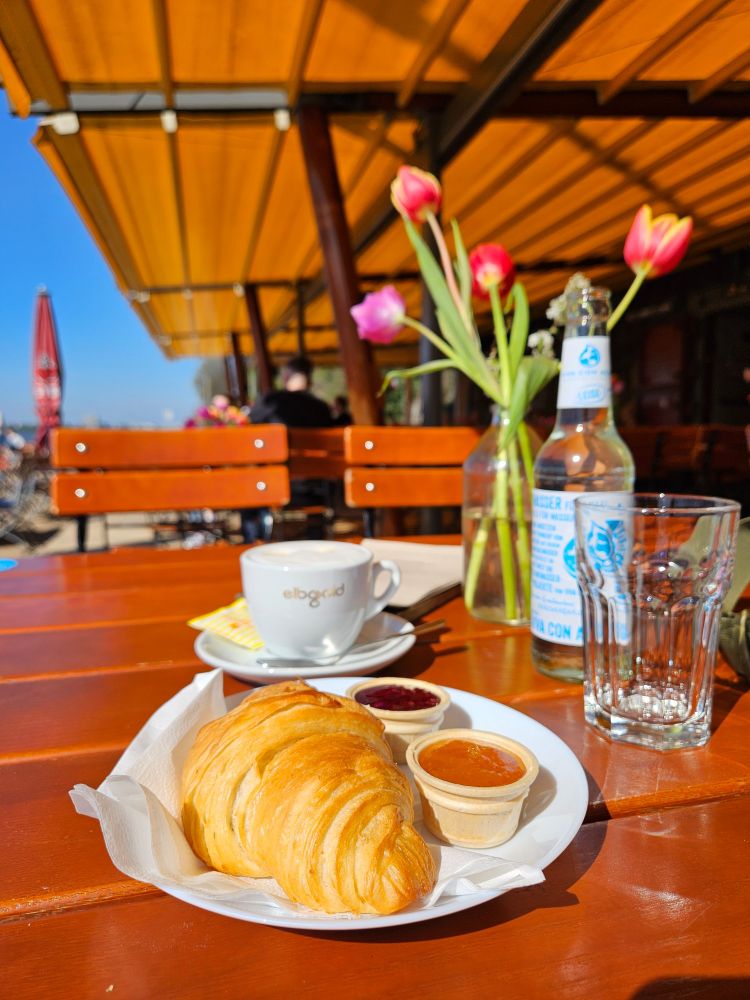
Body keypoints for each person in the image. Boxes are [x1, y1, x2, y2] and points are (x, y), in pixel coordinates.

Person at [250, 355, 333, 427]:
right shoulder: (321, 408)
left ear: (286, 376)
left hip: (278, 445)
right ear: (310, 379)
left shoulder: (271, 402)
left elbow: (252, 421)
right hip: (312, 445)